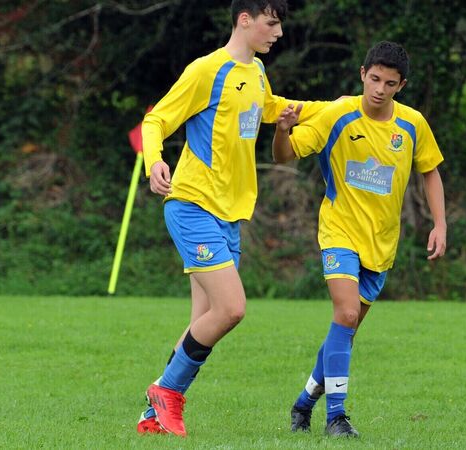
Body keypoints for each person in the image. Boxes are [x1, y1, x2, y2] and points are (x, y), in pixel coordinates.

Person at [137, 0, 327, 437]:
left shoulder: (256, 72)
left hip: (229, 215)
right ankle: (167, 394)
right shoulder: (206, 70)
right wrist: (154, 163)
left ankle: (153, 416)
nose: (277, 33)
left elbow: (270, 107)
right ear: (245, 20)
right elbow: (157, 120)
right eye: (271, 23)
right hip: (193, 204)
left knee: (202, 319)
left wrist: (329, 108)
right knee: (231, 308)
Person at [272, 40, 447, 437]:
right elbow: (285, 155)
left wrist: (440, 223)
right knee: (347, 314)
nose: (380, 89)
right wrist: (283, 131)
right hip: (339, 232)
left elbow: (431, 171)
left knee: (344, 328)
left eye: (390, 83)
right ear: (362, 74)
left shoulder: (412, 124)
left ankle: (302, 405)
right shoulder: (338, 114)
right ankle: (337, 417)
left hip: (382, 244)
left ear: (401, 86)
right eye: (374, 79)